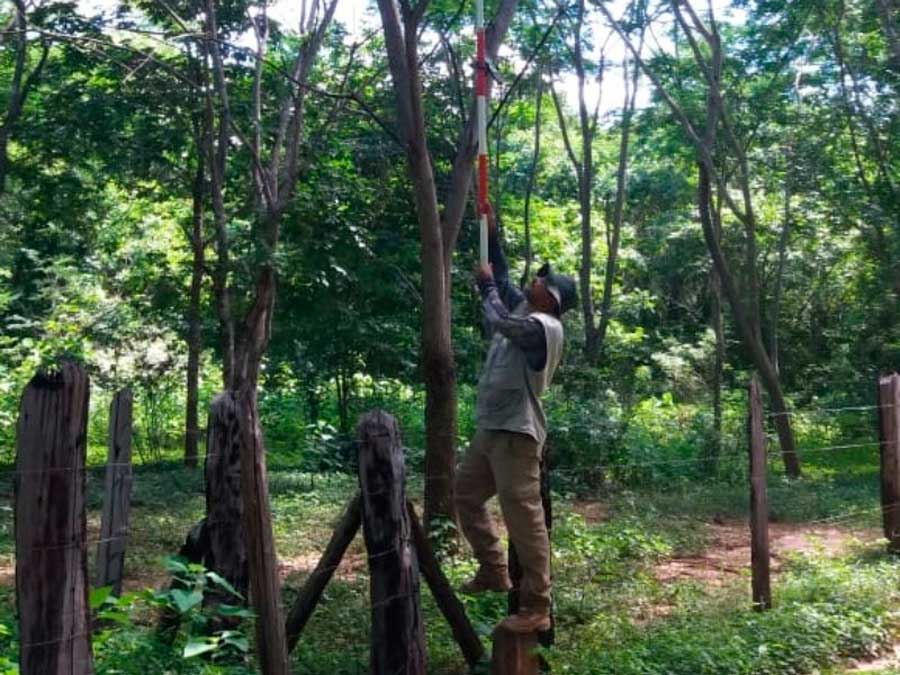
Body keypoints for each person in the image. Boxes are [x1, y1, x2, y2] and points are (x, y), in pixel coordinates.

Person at [455, 205, 577, 634]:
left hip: (517, 435)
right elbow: (504, 282)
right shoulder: (527, 307)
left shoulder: (544, 326)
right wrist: (491, 231)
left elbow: (499, 319)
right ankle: (492, 569)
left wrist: (486, 285)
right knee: (465, 495)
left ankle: (538, 604)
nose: (536, 280)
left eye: (543, 280)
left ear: (552, 297)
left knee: (525, 522)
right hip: (491, 429)